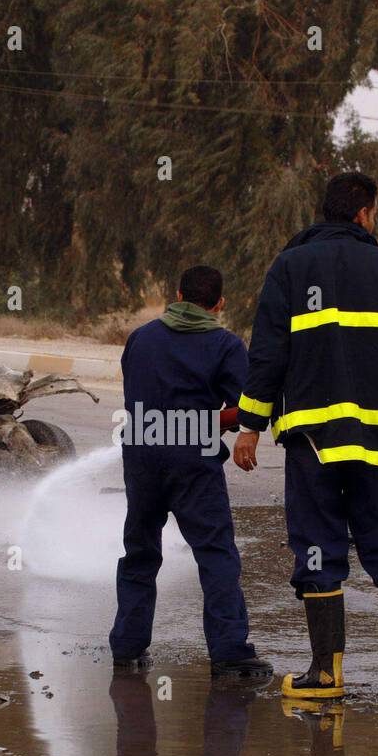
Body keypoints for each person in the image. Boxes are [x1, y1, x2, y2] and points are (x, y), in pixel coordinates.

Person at [233, 172, 378, 701]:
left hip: (312, 436)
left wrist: (249, 428)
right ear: (363, 215)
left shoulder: (289, 267)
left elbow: (267, 355)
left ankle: (326, 674)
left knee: (316, 544)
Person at [108, 265, 272, 677]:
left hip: (142, 456)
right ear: (220, 304)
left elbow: (138, 395)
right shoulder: (225, 344)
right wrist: (218, 421)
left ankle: (127, 646)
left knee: (140, 553)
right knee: (215, 553)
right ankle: (231, 651)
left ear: (176, 294)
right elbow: (245, 407)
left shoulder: (141, 338)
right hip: (190, 461)